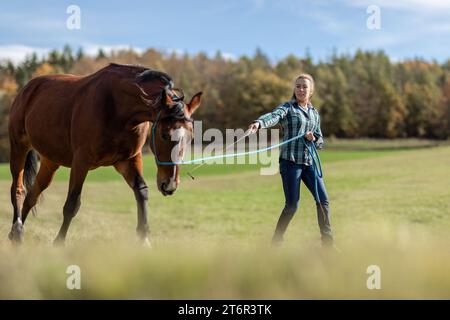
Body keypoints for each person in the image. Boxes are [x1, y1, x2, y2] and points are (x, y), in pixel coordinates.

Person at [248, 73, 333, 246]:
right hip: (290, 162)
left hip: (309, 163)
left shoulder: (315, 114)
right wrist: (259, 123)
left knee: (323, 201)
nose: (301, 89)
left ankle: (328, 244)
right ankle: (277, 241)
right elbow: (274, 115)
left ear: (311, 91)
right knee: (292, 205)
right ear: (294, 89)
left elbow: (320, 140)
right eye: (298, 86)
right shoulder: (288, 108)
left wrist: (314, 139)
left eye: (304, 87)